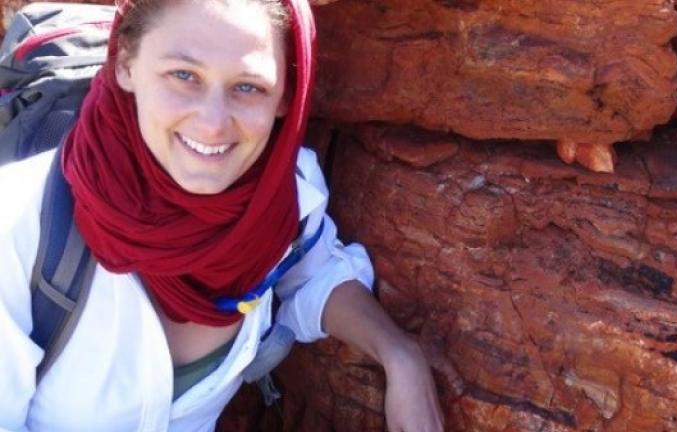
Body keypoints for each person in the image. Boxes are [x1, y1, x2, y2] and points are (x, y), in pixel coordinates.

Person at [0, 0, 443, 431]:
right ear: (125, 64)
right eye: (183, 75)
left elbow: (311, 273)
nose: (213, 122)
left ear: (286, 96)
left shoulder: (281, 198)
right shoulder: (20, 228)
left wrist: (399, 355)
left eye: (247, 87)